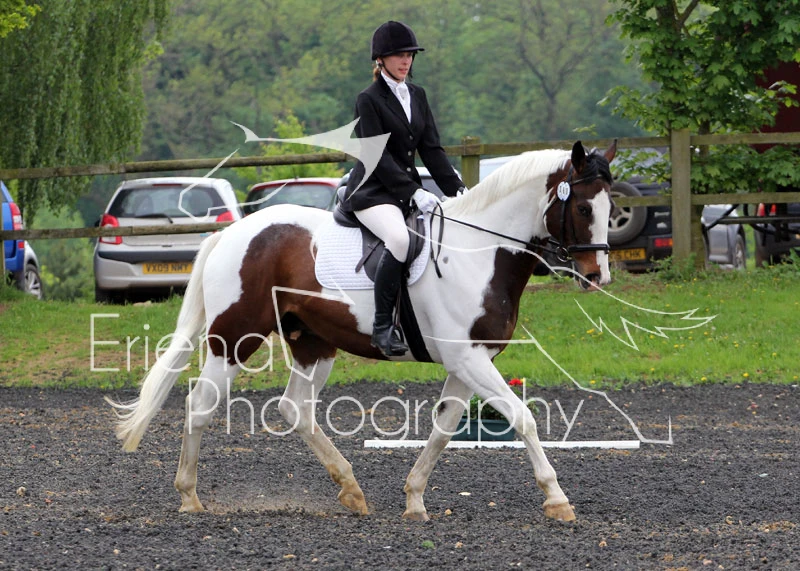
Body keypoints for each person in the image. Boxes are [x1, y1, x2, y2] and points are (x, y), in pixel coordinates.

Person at [340, 20, 467, 357]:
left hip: (403, 191)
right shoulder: (368, 99)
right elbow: (377, 156)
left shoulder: (417, 95)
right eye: (398, 55)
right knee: (399, 239)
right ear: (380, 59)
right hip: (373, 191)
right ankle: (383, 327)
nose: (405, 60)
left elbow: (432, 150)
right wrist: (413, 191)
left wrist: (458, 189)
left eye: (409, 54)